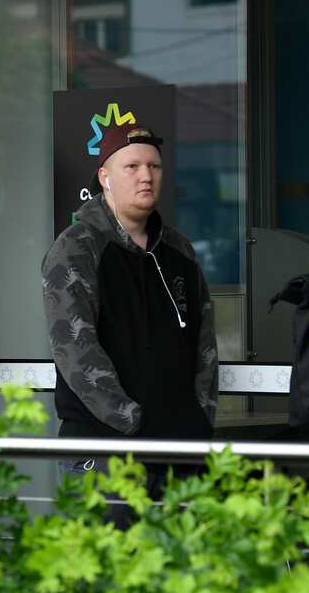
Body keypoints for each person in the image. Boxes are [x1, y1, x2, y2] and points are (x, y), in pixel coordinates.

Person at [42, 125, 218, 509]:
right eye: (132, 166)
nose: (146, 175)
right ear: (104, 177)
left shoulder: (180, 250)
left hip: (180, 453)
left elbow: (204, 345)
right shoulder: (76, 247)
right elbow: (75, 348)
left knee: (183, 567)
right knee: (109, 568)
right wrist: (132, 421)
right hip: (106, 453)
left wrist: (198, 418)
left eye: (154, 166)